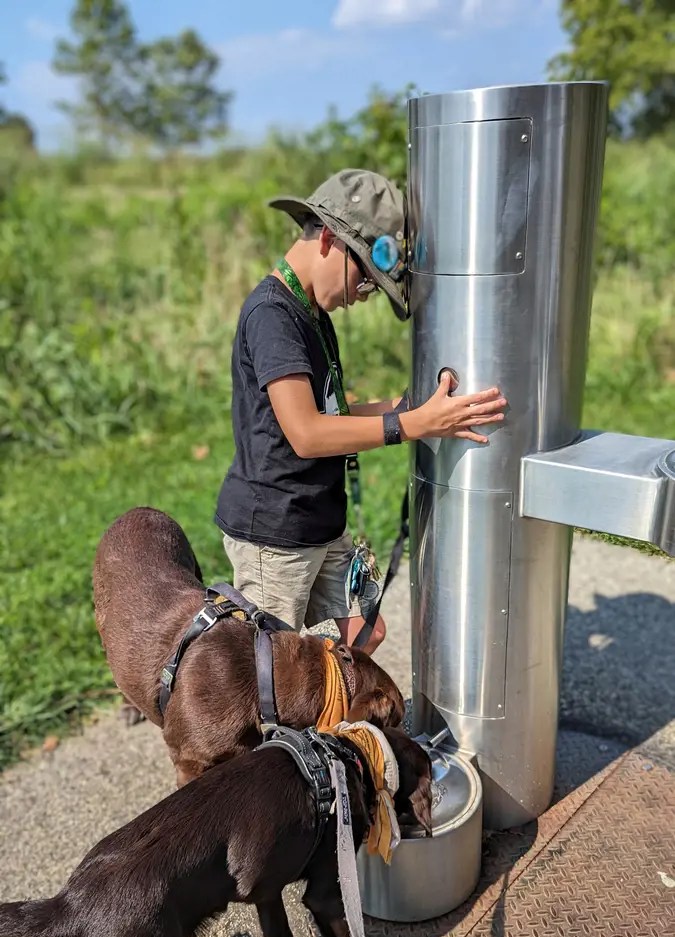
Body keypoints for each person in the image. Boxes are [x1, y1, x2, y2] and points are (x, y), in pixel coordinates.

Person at [215, 169, 506, 654]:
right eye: (364, 280)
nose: (358, 297)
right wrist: (411, 426)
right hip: (276, 529)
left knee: (364, 634)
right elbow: (307, 434)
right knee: (272, 665)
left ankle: (321, 722)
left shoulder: (311, 314)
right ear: (330, 238)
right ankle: (278, 726)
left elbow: (333, 413)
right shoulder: (272, 315)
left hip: (319, 519)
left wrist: (414, 408)